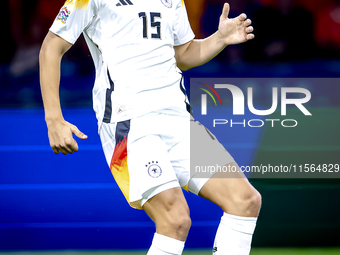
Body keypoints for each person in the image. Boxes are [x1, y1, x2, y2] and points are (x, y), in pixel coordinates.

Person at [39, 0, 261, 254]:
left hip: (178, 118)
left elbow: (183, 54)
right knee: (174, 218)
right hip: (129, 122)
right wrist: (53, 119)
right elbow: (51, 47)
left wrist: (219, 38)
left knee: (245, 201)